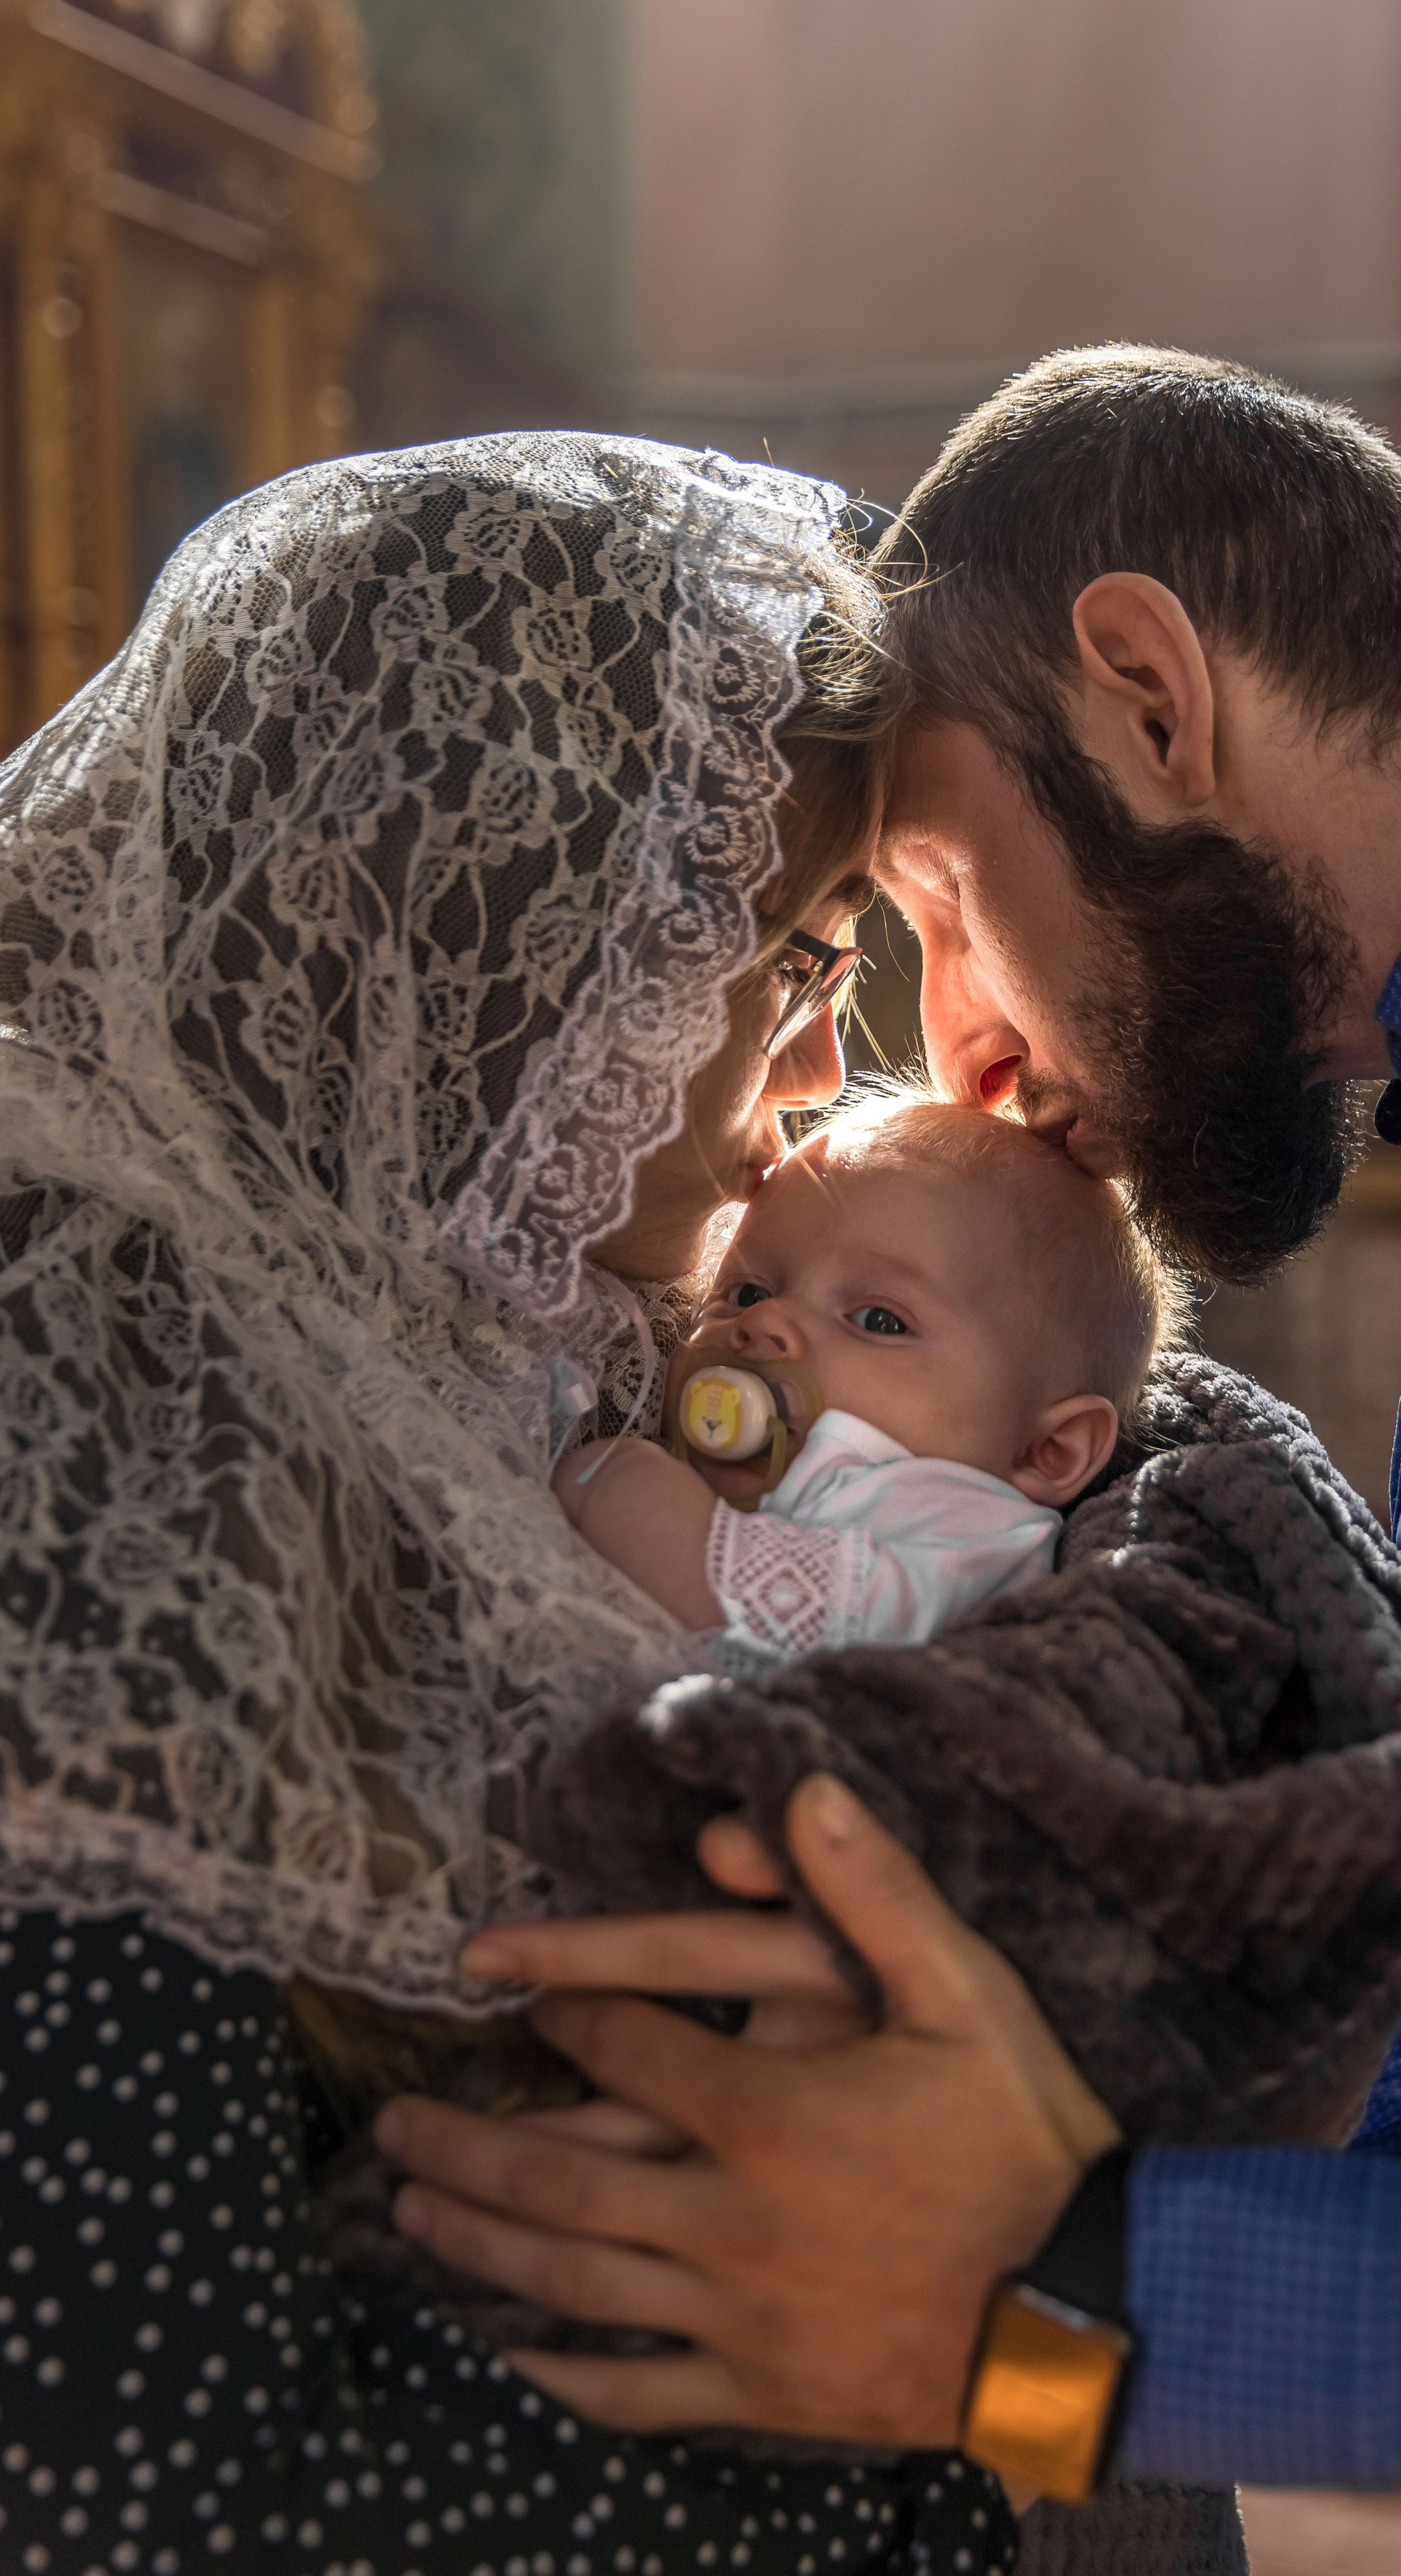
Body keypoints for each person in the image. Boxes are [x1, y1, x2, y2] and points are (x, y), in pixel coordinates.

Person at [375, 348, 1401, 2576]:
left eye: (932, 895)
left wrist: (1097, 2296)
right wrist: (1011, 2310)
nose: (963, 1049)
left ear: (1144, 693)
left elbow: (1125, 2307)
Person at [0, 428, 1035, 2573]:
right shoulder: (103, 1475)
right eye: (788, 950)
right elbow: (128, 2478)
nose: (815, 1073)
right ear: (511, 951)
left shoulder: (474, 1356)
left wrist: (1040, 2365)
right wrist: (965, 2423)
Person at [553, 1094, 1172, 1664]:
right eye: (745, 1291)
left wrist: (622, 1485)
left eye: (878, 1319)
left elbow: (818, 1626)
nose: (767, 1322)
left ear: (1048, 1451)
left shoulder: (972, 1535)